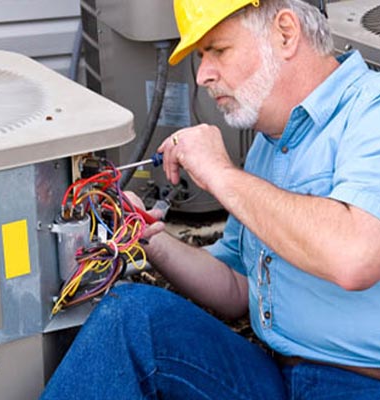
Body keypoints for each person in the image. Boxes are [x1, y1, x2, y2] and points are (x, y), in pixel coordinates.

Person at [41, 0, 380, 398]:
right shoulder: (268, 145)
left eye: (217, 50)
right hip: (277, 374)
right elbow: (238, 287)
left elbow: (356, 256)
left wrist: (221, 174)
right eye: (202, 57)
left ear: (285, 33)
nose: (203, 75)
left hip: (359, 382)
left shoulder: (368, 112)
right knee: (132, 317)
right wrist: (147, 239)